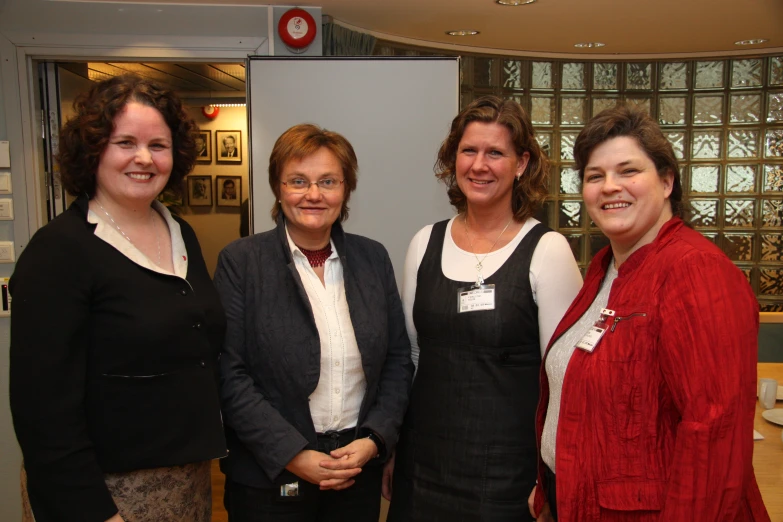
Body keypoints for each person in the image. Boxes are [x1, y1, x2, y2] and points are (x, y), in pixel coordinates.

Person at [529, 105, 770, 522]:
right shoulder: (605, 267)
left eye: (627, 171)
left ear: (666, 180)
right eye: (594, 176)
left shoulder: (696, 271)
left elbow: (714, 438)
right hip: (573, 499)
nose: (610, 187)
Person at [9, 74, 227, 522]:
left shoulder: (180, 231)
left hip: (187, 482)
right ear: (93, 150)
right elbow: (43, 412)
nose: (143, 158)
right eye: (125, 142)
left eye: (158, 146)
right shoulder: (60, 250)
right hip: (103, 493)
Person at [386, 95, 583, 521]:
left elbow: (565, 379)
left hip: (509, 473)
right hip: (424, 464)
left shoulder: (547, 251)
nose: (480, 165)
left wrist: (553, 475)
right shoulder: (424, 243)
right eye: (469, 150)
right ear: (453, 159)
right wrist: (392, 446)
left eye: (496, 152)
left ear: (521, 164)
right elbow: (412, 357)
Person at [215, 123, 414, 522]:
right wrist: (292, 453)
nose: (313, 194)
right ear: (277, 187)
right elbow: (228, 373)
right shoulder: (242, 262)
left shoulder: (373, 259)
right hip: (270, 477)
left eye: (328, 181)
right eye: (298, 181)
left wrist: (374, 440)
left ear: (346, 189)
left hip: (355, 467)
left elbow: (397, 360)